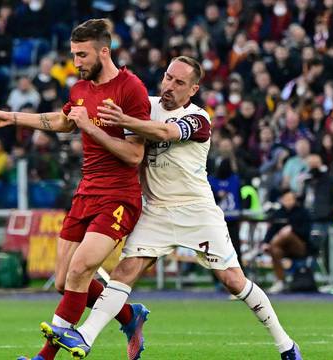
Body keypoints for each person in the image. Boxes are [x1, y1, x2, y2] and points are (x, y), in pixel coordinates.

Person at [42, 57, 302, 360]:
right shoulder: (143, 104)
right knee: (125, 271)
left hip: (196, 211)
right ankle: (85, 336)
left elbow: (164, 133)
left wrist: (122, 120)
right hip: (156, 210)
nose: (169, 86)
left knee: (233, 281)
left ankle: (286, 344)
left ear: (193, 89)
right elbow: (75, 118)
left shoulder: (198, 118)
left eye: (179, 82)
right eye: (167, 77)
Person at [0, 19, 151, 360]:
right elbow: (61, 121)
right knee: (62, 282)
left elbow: (134, 154)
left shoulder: (131, 89)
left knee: (80, 269)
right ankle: (130, 316)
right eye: (73, 55)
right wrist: (9, 117)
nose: (76, 62)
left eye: (82, 55)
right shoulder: (80, 88)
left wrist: (91, 127)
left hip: (119, 197)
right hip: (86, 193)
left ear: (104, 50)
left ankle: (44, 357)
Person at [262, 190, 312, 294]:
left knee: (286, 233)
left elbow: (306, 232)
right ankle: (280, 282)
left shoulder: (303, 212)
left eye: (290, 199)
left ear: (295, 200)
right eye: (286, 199)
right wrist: (265, 242)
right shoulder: (279, 213)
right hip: (282, 248)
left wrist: (292, 229)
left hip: (300, 246)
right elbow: (271, 230)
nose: (288, 202)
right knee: (275, 250)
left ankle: (272, 245)